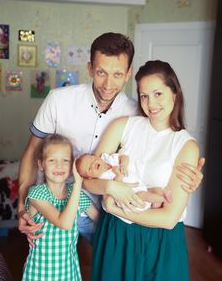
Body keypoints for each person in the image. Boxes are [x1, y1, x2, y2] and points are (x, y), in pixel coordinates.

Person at [18, 32, 204, 245]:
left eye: (117, 74)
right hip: (56, 203)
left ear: (128, 74)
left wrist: (190, 177)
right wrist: (22, 207)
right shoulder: (58, 100)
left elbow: (160, 150)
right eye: (101, 72)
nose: (108, 84)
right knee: (52, 268)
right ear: (90, 69)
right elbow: (33, 151)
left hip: (107, 211)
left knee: (105, 271)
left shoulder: (138, 112)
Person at [86, 60, 200, 281]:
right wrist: (112, 189)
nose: (151, 103)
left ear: (175, 92)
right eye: (144, 96)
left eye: (158, 93)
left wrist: (112, 206)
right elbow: (88, 177)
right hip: (116, 235)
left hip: (158, 240)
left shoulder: (185, 145)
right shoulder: (124, 126)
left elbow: (169, 218)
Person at [10, 134, 98, 281]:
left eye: (65, 160)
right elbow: (64, 223)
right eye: (52, 160)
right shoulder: (36, 194)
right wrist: (78, 183)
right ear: (41, 164)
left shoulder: (75, 194)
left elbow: (101, 220)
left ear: (72, 164)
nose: (59, 166)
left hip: (68, 276)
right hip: (41, 277)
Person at [75, 152, 172, 223]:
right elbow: (116, 187)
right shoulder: (102, 178)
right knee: (144, 195)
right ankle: (164, 198)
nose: (92, 164)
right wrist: (119, 175)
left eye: (92, 159)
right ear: (91, 177)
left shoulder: (108, 159)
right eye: (89, 168)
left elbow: (125, 157)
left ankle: (158, 201)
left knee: (156, 189)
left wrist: (123, 165)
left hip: (141, 186)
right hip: (131, 199)